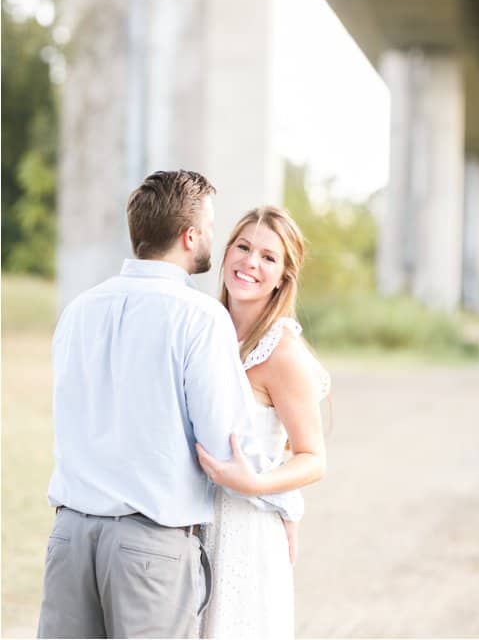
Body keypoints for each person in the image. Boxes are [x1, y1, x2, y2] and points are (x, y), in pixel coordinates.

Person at [38, 170, 297, 638]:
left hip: (69, 537)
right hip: (148, 547)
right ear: (189, 235)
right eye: (213, 230)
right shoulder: (199, 318)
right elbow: (226, 445)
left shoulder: (78, 311)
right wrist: (283, 501)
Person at [195, 206, 329, 638]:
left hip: (246, 530)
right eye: (244, 247)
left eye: (268, 257)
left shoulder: (283, 354)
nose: (251, 262)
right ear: (227, 251)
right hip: (192, 524)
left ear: (282, 277)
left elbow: (312, 458)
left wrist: (255, 486)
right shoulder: (203, 330)